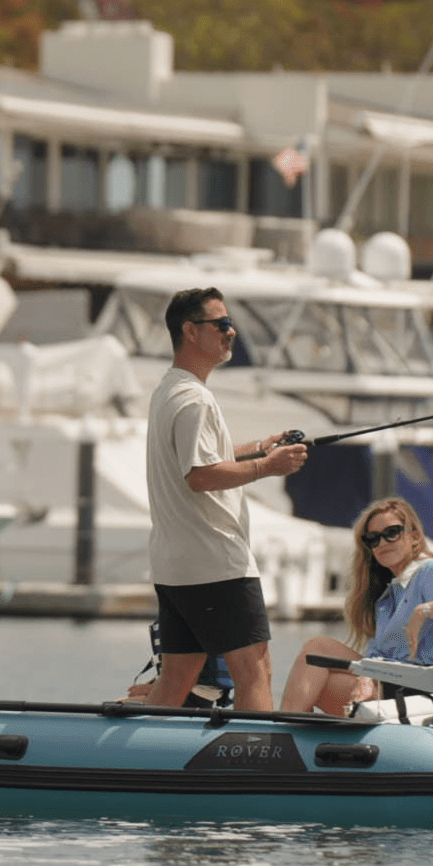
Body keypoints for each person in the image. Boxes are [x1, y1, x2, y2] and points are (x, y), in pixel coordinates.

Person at [146, 286, 308, 711]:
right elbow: (199, 476)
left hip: (175, 565)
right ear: (191, 332)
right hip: (216, 562)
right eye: (221, 324)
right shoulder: (194, 399)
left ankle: (143, 761)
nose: (231, 331)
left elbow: (198, 458)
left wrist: (258, 448)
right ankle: (256, 766)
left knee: (179, 672)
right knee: (256, 672)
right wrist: (268, 467)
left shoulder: (169, 390)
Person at [280, 496, 433, 716]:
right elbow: (376, 655)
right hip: (396, 683)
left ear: (414, 536)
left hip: (428, 689)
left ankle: (286, 731)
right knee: (318, 662)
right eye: (373, 538)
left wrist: (424, 611)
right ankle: (294, 731)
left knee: (318, 654)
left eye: (392, 533)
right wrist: (366, 678)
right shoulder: (388, 598)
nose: (382, 543)